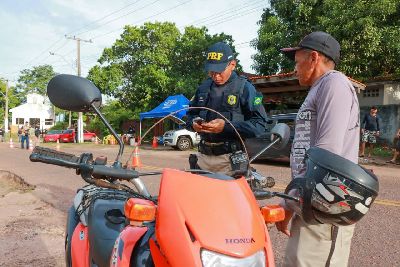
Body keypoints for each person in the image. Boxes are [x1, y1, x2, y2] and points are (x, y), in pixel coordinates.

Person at [277, 31, 360, 266]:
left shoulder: (334, 84)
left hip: (325, 209)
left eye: (297, 62)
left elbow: (325, 156)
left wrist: (288, 203)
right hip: (310, 203)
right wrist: (292, 202)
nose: (295, 69)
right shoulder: (319, 88)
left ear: (313, 58)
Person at [186, 42, 268, 175]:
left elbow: (259, 124)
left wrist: (226, 127)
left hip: (231, 161)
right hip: (203, 160)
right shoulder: (203, 88)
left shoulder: (245, 88)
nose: (216, 76)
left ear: (232, 65)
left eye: (219, 71)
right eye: (212, 72)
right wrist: (194, 124)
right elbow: (189, 116)